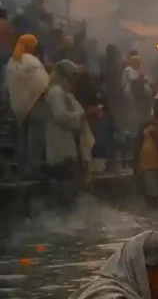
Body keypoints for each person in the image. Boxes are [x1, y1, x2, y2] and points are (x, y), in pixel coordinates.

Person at [43, 60, 94, 201]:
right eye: (73, 76)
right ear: (65, 75)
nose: (75, 80)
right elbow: (61, 116)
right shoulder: (55, 93)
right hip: (61, 148)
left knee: (75, 189)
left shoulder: (68, 94)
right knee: (65, 191)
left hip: (73, 149)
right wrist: (85, 115)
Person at [4, 35, 50, 179]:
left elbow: (8, 85)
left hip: (19, 107)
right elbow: (43, 82)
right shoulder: (32, 61)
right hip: (36, 104)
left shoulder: (11, 62)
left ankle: (22, 171)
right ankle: (33, 171)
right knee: (35, 139)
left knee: (22, 140)